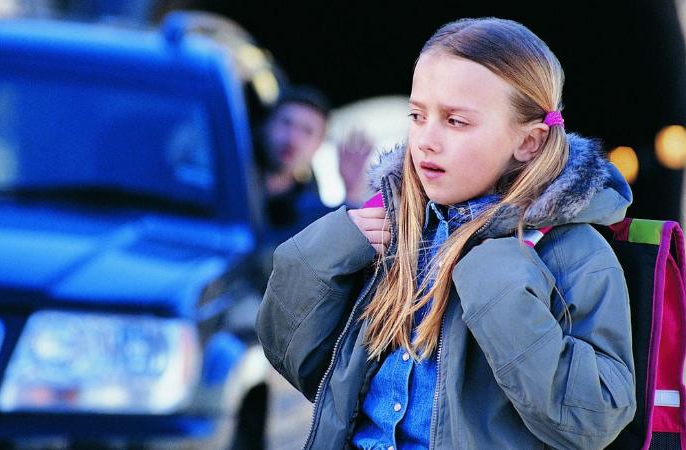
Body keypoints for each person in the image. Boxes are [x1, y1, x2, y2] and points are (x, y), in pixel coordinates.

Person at [256, 17, 635, 450]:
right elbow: (313, 372)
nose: (426, 141)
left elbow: (594, 420)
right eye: (417, 116)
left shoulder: (573, 253)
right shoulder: (393, 230)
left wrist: (499, 289)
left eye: (456, 121)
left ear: (529, 142)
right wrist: (317, 258)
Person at [255, 84, 373, 236]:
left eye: (307, 132)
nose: (293, 139)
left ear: (318, 145)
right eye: (286, 123)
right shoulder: (227, 169)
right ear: (266, 125)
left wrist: (352, 192)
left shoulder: (305, 208)